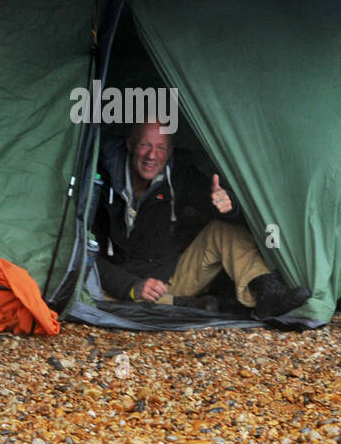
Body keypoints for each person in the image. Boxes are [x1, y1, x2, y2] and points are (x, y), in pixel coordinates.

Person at [92, 121, 311, 319]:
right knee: (95, 297)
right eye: (145, 145)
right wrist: (131, 286)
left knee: (223, 230)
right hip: (122, 286)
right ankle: (200, 306)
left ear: (169, 152)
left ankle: (266, 294)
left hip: (171, 277)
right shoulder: (102, 179)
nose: (152, 155)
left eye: (160, 148)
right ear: (130, 145)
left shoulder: (179, 173)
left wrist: (229, 204)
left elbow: (213, 202)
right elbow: (83, 250)